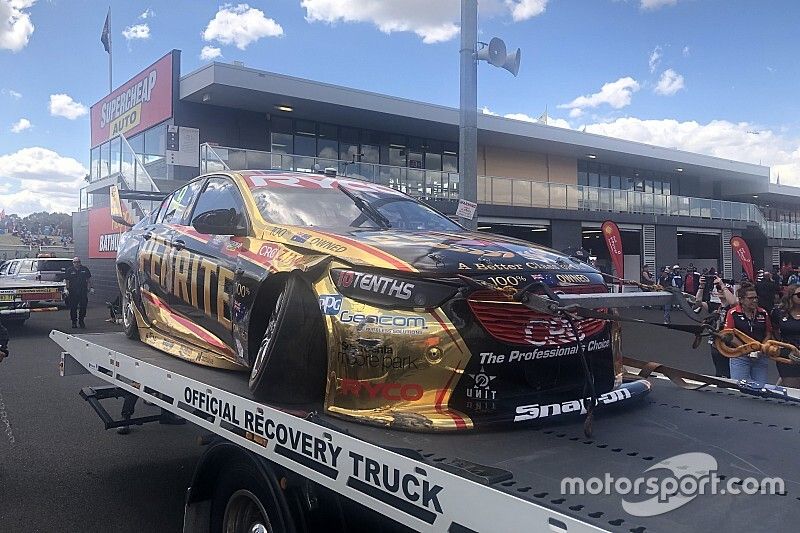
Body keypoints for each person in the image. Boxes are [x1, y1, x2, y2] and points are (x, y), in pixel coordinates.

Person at [725, 283, 772, 385]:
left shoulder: (763, 313)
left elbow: (768, 333)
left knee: (761, 387)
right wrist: (746, 349)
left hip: (760, 355)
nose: (755, 300)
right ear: (741, 300)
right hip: (740, 355)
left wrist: (762, 347)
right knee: (740, 386)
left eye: (756, 297)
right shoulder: (733, 313)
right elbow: (729, 334)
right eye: (751, 298)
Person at [696, 275, 736, 377]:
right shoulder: (715, 306)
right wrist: (701, 286)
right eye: (718, 289)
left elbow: (733, 302)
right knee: (719, 370)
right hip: (715, 343)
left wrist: (722, 285)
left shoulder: (734, 307)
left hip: (730, 343)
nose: (720, 291)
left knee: (730, 371)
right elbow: (698, 302)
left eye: (722, 290)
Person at [768, 286, 800, 388]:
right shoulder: (779, 313)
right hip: (788, 352)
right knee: (792, 386)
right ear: (791, 297)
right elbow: (772, 329)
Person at [64, 257, 93, 329]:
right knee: (73, 308)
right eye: (75, 262)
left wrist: (91, 287)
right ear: (73, 263)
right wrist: (66, 289)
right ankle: (74, 322)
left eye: (78, 262)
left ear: (80, 262)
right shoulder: (69, 270)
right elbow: (66, 280)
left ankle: (81, 321)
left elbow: (88, 279)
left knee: (83, 307)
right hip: (73, 292)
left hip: (83, 291)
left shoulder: (85, 269)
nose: (76, 263)